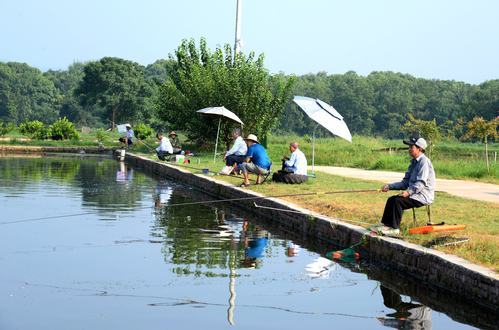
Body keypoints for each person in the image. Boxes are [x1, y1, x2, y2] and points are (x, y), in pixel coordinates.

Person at [374, 134, 435, 236]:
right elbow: (405, 182)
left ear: (419, 149)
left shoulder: (424, 162)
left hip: (422, 195)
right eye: (409, 147)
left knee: (397, 202)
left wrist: (408, 192)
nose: (409, 149)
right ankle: (386, 225)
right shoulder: (413, 163)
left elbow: (421, 183)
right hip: (414, 193)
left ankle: (394, 228)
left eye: (412, 147)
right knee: (391, 200)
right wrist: (389, 186)